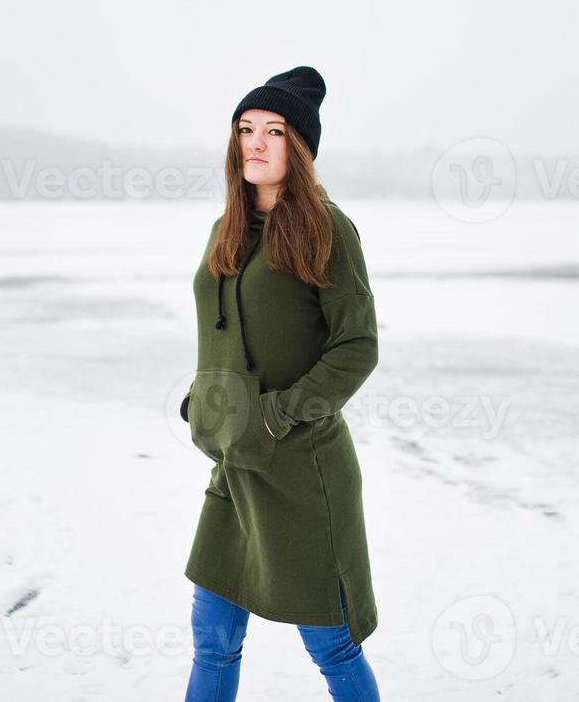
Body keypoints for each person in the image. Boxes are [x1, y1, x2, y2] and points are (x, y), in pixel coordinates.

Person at [180, 65, 382, 701]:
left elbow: (357, 348)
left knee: (331, 642)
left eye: (273, 131)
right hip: (235, 464)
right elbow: (226, 334)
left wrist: (278, 414)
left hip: (300, 467)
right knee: (212, 635)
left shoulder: (325, 228)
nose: (256, 144)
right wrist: (204, 401)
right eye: (246, 129)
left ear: (299, 148)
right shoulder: (227, 231)